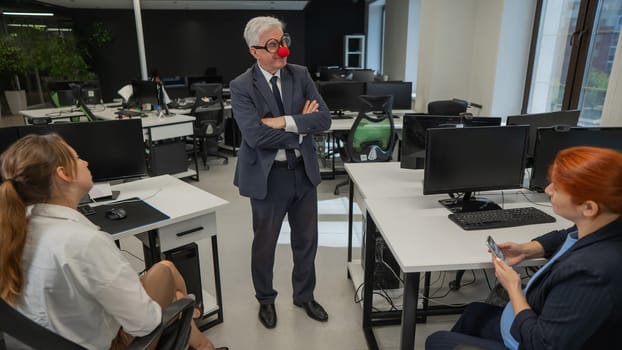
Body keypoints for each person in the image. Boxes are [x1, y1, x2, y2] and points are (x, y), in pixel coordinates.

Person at [0, 134, 226, 350]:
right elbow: (146, 323)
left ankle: (202, 343)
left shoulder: (16, 227)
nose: (85, 162)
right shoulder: (84, 241)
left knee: (165, 270)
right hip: (104, 343)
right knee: (168, 277)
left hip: (59, 336)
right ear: (64, 174)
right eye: (77, 158)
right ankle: (198, 333)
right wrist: (170, 303)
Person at [426, 146, 622, 350]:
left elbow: (541, 344)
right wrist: (527, 249)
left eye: (557, 188)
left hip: (531, 340)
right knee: (474, 313)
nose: (548, 190)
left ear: (589, 207)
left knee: (438, 341)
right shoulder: (607, 222)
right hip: (530, 323)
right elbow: (565, 235)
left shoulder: (591, 274)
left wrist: (513, 289)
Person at [229, 16, 332, 329]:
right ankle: (266, 299)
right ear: (254, 51)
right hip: (268, 177)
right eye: (273, 45)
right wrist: (301, 125)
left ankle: (304, 295)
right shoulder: (241, 86)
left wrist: (283, 121)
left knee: (307, 241)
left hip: (303, 171)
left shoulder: (299, 75)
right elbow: (255, 137)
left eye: (283, 41)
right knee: (265, 244)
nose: (282, 51)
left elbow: (324, 119)